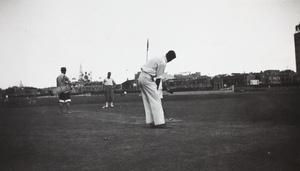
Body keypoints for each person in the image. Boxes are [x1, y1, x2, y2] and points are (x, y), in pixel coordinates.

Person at [138, 50, 176, 128]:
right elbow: (158, 78)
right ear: (170, 58)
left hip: (141, 77)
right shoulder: (163, 63)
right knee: (156, 99)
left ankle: (152, 121)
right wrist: (158, 90)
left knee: (148, 100)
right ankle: (159, 123)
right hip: (147, 78)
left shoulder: (158, 57)